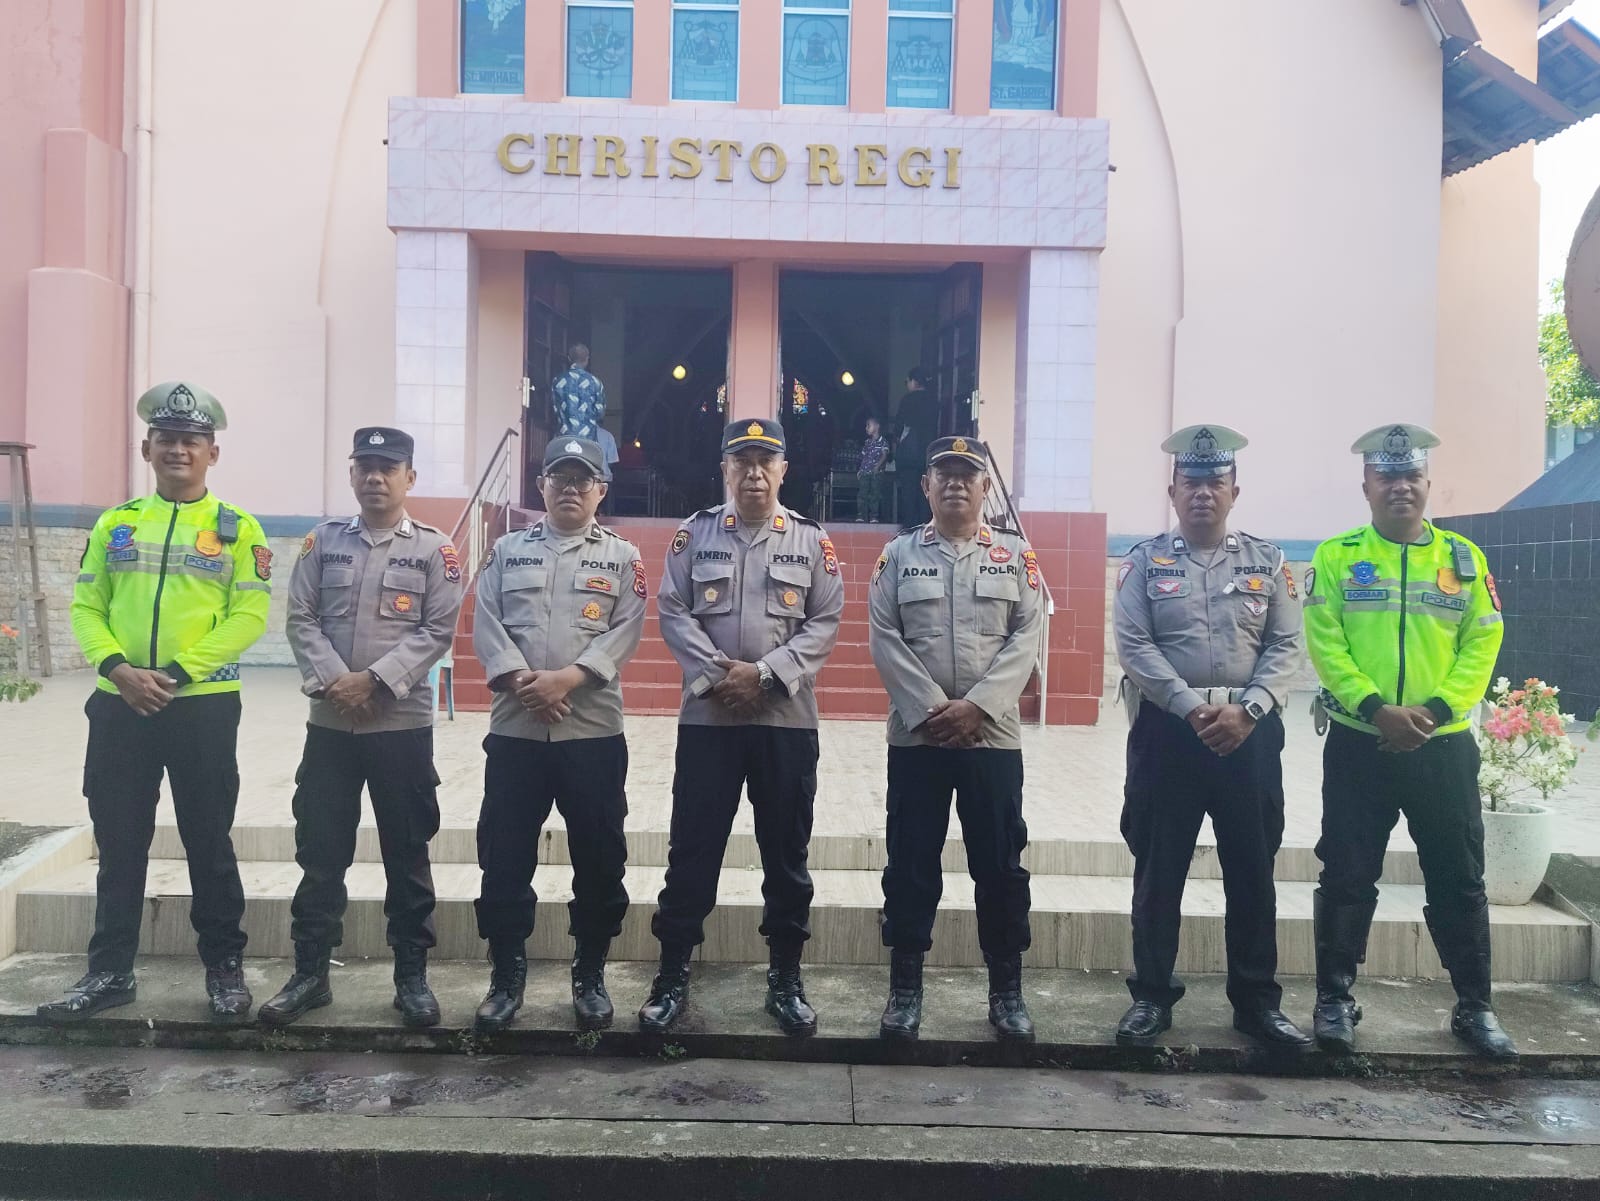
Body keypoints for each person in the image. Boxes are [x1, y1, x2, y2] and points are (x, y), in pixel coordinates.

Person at [41, 381, 270, 1023]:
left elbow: (249, 616)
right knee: (119, 842)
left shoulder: (238, 529)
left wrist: (170, 673)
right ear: (147, 448)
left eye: (191, 441)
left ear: (212, 454)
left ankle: (224, 969)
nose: (178, 450)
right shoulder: (116, 523)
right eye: (166, 439)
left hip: (202, 707)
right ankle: (109, 971)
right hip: (119, 706)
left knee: (208, 841)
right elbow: (86, 606)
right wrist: (118, 670)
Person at [1304, 423, 1516, 1060]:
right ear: (1366, 486)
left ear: (1427, 483)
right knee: (1346, 873)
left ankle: (1475, 1007)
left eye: (1411, 476)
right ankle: (1334, 1000)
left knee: (1459, 877)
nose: (1400, 486)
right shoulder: (1336, 556)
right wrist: (1375, 708)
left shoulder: (1463, 559)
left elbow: (1484, 640)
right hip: (1359, 743)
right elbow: (1326, 642)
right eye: (1387, 476)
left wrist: (1435, 709)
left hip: (1442, 746)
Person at [640, 418, 844, 1036]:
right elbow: (672, 609)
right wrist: (719, 677)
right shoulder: (693, 535)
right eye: (742, 461)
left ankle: (785, 978)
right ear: (725, 469)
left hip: (785, 723)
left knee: (786, 855)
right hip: (711, 720)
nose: (754, 472)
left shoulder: (811, 541)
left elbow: (825, 619)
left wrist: (766, 675)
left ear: (783, 471)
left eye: (765, 461)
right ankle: (672, 974)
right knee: (692, 850)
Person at [1111, 426, 1310, 1050]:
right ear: (1172, 491)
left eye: (1215, 483)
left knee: (1252, 870)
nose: (1203, 493)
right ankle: (1151, 997)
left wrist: (1248, 710)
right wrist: (1190, 707)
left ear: (1234, 492)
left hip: (1249, 733)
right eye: (1191, 483)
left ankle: (1256, 1002)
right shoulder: (1144, 562)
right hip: (1169, 733)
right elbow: (1134, 645)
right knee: (1159, 869)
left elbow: (1286, 644)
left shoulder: (1267, 561)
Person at [258, 427, 465, 1029]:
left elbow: (437, 630)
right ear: (351, 474)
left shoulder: (434, 550)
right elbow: (300, 618)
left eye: (388, 467)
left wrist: (373, 681)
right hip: (331, 725)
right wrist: (337, 683)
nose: (376, 477)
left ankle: (412, 978)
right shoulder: (321, 542)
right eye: (365, 466)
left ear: (409, 478)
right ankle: (310, 973)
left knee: (407, 853)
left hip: (399, 727)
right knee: (320, 852)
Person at [868, 436, 1043, 1043]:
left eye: (967, 475)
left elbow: (1026, 637)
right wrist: (932, 711)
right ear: (926, 485)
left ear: (985, 487)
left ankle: (1007, 992)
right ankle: (905, 992)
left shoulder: (1015, 556)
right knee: (910, 865)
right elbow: (884, 636)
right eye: (943, 474)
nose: (955, 484)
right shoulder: (898, 556)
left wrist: (978, 709)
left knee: (1000, 867)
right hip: (918, 739)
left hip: (992, 741)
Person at [470, 436, 647, 1033]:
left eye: (582, 479)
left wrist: (566, 680)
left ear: (601, 490)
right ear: (542, 486)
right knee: (504, 855)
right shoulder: (506, 551)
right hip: (516, 729)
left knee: (600, 857)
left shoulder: (623, 557)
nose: (570, 489)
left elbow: (626, 629)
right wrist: (524, 682)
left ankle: (590, 972)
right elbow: (486, 620)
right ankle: (506, 976)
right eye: (559, 478)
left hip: (591, 732)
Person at [894, 368, 937, 527]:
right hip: (928, 453)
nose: (907, 384)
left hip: (909, 454)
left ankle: (910, 528)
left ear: (914, 381)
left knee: (909, 492)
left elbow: (899, 426)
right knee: (926, 491)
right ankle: (926, 526)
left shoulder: (907, 400)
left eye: (907, 381)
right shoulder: (933, 401)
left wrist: (898, 441)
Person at [551, 343, 606, 439]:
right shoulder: (596, 382)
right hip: (588, 439)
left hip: (564, 438)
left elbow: (555, 409)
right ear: (587, 359)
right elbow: (600, 413)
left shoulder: (557, 381)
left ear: (569, 358)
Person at [857, 414, 890, 523]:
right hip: (865, 472)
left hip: (876, 473)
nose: (866, 428)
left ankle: (874, 516)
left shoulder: (883, 442)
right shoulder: (867, 442)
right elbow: (864, 457)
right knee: (862, 493)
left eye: (868, 425)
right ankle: (861, 515)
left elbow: (884, 455)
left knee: (874, 494)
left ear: (877, 426)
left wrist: (877, 467)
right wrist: (860, 470)